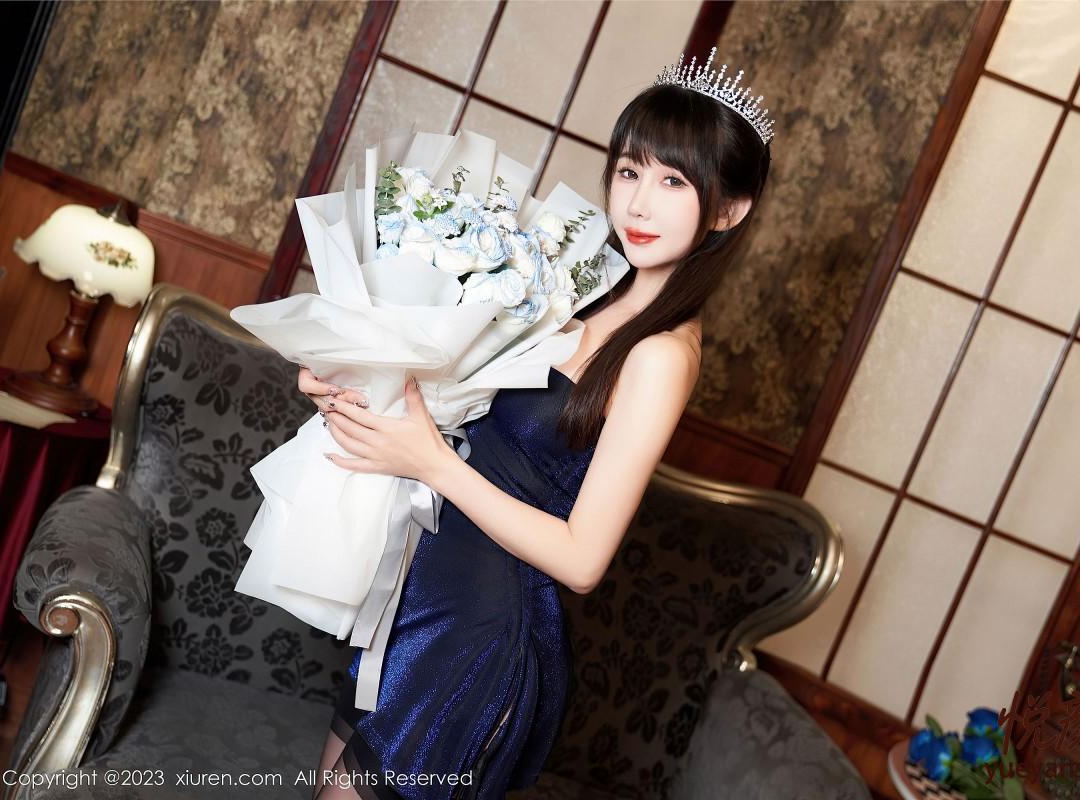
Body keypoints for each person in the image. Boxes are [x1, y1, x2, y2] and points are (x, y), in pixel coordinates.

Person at [299, 46, 772, 800]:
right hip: (412, 598)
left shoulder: (661, 356)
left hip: (475, 639)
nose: (638, 205)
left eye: (673, 182)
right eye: (630, 171)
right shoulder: (578, 287)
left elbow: (583, 560)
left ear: (727, 210)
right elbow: (448, 397)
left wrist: (431, 462)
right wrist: (349, 374)